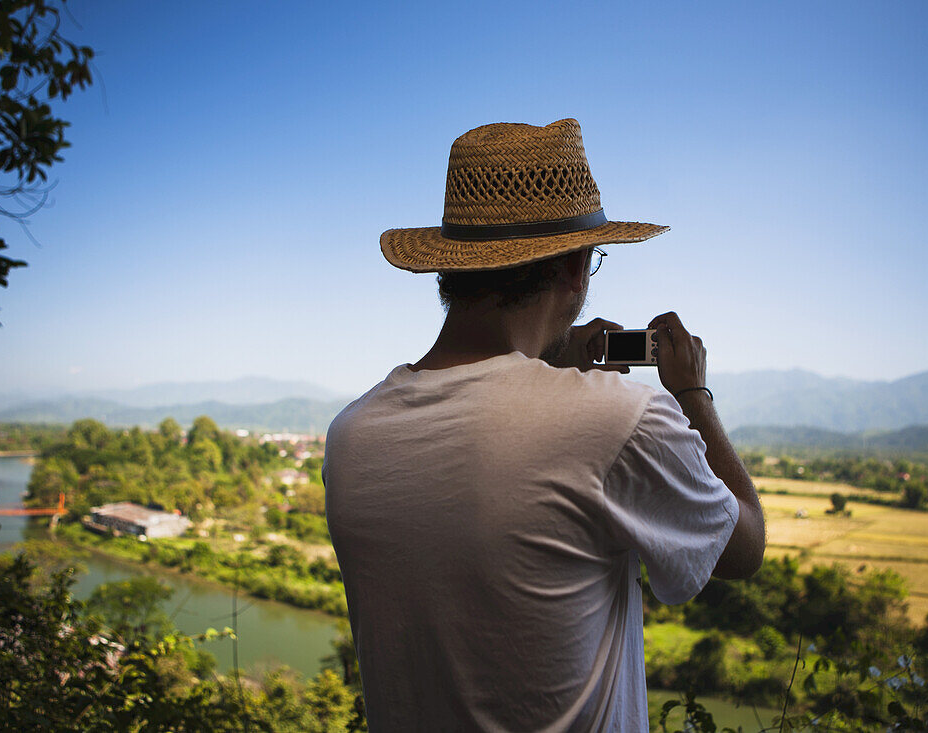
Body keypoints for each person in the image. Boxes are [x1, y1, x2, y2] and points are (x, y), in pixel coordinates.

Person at [324, 119, 765, 732]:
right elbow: (744, 548)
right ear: (575, 267)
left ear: (454, 269)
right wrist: (693, 392)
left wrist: (547, 365)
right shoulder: (619, 419)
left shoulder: (351, 435)